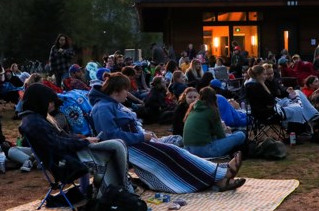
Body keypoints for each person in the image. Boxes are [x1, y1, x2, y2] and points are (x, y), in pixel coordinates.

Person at [90, 74, 242, 193]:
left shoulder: (112, 105)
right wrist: (141, 136)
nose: (128, 94)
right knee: (172, 152)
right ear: (116, 91)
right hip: (127, 147)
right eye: (126, 90)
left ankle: (220, 174)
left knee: (176, 151)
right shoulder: (103, 108)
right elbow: (111, 135)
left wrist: (144, 134)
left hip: (134, 143)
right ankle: (219, 175)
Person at [19, 83, 130, 191]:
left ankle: (114, 187)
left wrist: (84, 139)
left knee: (117, 144)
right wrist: (85, 142)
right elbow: (58, 144)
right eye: (49, 101)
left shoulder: (37, 118)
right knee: (115, 147)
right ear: (39, 101)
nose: (53, 104)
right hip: (65, 163)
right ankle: (114, 189)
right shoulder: (35, 123)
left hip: (68, 155)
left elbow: (63, 137)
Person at [182, 87, 247, 164]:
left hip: (187, 149)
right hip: (204, 150)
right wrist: (227, 131)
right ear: (214, 98)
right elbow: (221, 136)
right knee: (241, 134)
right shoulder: (211, 111)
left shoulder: (193, 109)